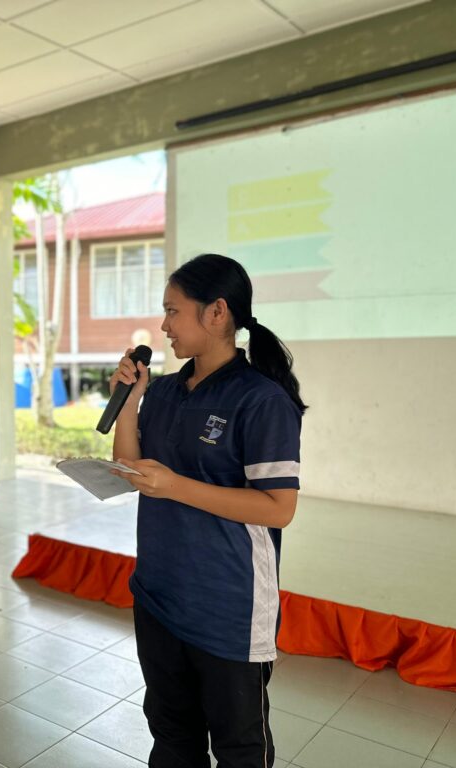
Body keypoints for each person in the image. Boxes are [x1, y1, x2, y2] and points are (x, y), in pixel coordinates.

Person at [110, 253, 306, 768]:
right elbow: (129, 467)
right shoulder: (166, 390)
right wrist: (129, 403)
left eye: (173, 311)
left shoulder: (261, 400)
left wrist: (175, 485)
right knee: (172, 736)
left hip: (227, 607)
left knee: (239, 748)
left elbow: (278, 508)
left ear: (217, 312)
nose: (164, 325)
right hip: (158, 595)